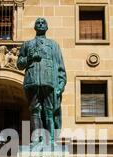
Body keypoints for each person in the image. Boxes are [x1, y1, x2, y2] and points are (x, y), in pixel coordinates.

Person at [17, 17, 67, 145]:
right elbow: (20, 64)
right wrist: (29, 58)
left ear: (46, 27)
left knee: (49, 110)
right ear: (34, 27)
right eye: (38, 23)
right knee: (35, 110)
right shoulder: (27, 44)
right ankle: (37, 139)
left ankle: (50, 139)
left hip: (49, 82)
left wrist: (61, 84)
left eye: (43, 23)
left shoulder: (54, 45)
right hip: (32, 81)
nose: (40, 24)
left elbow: (60, 66)